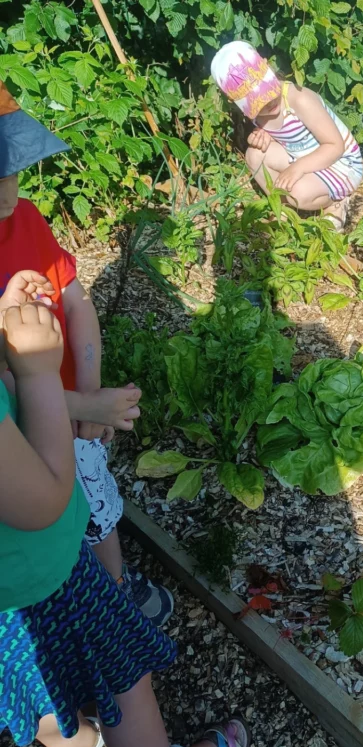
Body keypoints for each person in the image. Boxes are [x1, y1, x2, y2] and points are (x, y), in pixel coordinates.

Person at [0, 299, 250, 747]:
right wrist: (37, 373)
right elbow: (46, 501)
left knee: (28, 680)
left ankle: (76, 746)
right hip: (49, 580)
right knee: (123, 679)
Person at [0, 80, 174, 627]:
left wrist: (93, 391)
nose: (10, 187)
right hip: (27, 432)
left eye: (14, 166)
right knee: (61, 519)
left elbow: (74, 302)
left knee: (94, 510)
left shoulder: (26, 219)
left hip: (71, 410)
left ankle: (113, 589)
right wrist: (86, 407)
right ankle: (108, 605)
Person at [211, 41, 363, 231]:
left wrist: (298, 168)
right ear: (235, 102)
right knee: (254, 154)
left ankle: (335, 203)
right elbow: (288, 135)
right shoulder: (257, 114)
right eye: (258, 102)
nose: (268, 103)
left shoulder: (299, 100)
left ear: (267, 65)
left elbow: (335, 146)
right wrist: (264, 136)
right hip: (304, 158)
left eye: (268, 92)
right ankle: (281, 208)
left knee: (297, 193)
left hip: (340, 164)